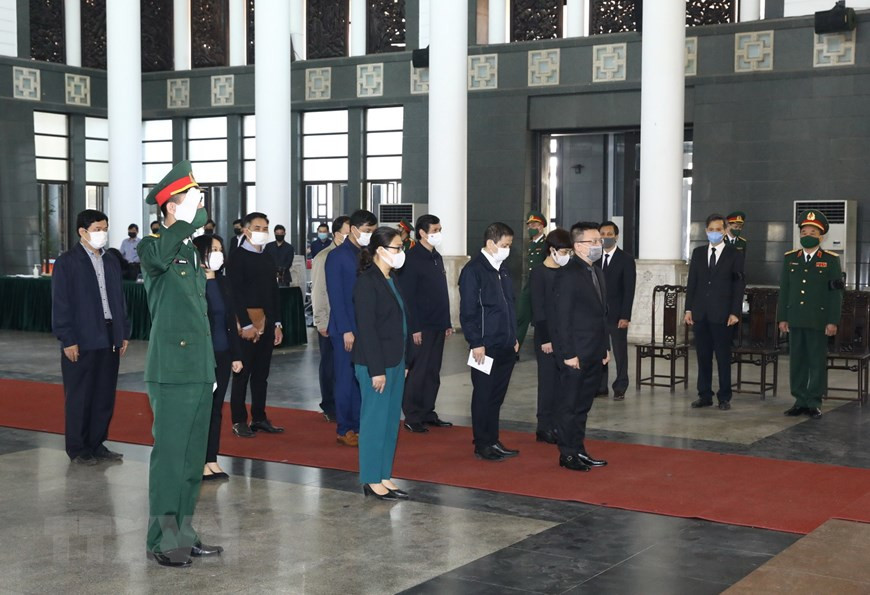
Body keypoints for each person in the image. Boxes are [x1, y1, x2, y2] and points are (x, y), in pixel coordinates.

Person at [137, 160, 222, 567]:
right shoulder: (154, 246)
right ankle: (163, 541)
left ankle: (184, 534)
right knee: (171, 461)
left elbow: (199, 317)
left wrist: (210, 372)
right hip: (171, 372)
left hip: (197, 371)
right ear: (171, 206)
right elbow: (158, 258)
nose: (200, 204)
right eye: (191, 197)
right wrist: (180, 224)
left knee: (191, 463)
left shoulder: (187, 248)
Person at [52, 209, 131, 465]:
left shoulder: (110, 260)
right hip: (82, 337)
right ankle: (78, 448)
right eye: (97, 229)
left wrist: (123, 333)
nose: (102, 234)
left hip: (109, 335)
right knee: (80, 395)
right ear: (82, 232)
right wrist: (68, 338)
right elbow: (61, 302)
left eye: (105, 228)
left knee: (104, 394)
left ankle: (97, 443)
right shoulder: (68, 261)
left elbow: (119, 300)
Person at [353, 227, 411, 501]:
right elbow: (367, 329)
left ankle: (384, 475)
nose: (401, 253)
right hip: (375, 364)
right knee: (375, 421)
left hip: (395, 360)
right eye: (398, 248)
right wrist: (377, 370)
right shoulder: (367, 281)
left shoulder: (392, 278)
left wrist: (405, 360)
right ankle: (370, 479)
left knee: (389, 422)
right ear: (380, 250)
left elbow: (401, 321)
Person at [551, 222, 610, 472]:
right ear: (578, 246)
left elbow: (601, 315)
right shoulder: (568, 275)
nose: (599, 245)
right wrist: (568, 354)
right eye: (593, 241)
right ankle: (567, 454)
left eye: (600, 241)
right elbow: (561, 319)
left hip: (594, 351)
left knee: (583, 405)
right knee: (570, 405)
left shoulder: (596, 271)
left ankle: (579, 449)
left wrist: (604, 348)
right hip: (575, 353)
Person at [459, 222, 520, 461]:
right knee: (483, 394)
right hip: (484, 345)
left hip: (505, 343)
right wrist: (476, 342)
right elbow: (468, 311)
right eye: (505, 245)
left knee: (497, 396)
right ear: (491, 243)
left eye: (509, 246)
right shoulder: (474, 270)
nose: (508, 249)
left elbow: (510, 305)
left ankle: (493, 439)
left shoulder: (502, 269)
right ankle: (482, 443)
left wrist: (514, 336)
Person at [779, 210, 843, 420]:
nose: (807, 234)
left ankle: (814, 401)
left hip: (818, 320)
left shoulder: (831, 260)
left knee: (816, 361)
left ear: (821, 236)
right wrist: (782, 317)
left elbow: (836, 294)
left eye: (813, 231)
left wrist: (833, 320)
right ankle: (799, 400)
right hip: (795, 317)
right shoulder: (790, 259)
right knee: (797, 361)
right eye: (804, 230)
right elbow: (785, 289)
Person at [227, 212, 285, 438]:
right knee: (242, 373)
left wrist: (277, 323)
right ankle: (239, 420)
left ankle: (259, 417)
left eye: (265, 228)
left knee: (262, 374)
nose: (263, 232)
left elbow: (273, 294)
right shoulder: (238, 257)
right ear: (246, 230)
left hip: (267, 322)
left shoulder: (268, 256)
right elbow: (234, 295)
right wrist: (247, 323)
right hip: (246, 323)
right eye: (258, 228)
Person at [326, 209, 379, 446]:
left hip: (365, 326)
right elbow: (336, 296)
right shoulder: (337, 256)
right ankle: (344, 427)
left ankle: (359, 424)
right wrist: (346, 329)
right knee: (345, 379)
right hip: (344, 328)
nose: (370, 235)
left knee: (362, 379)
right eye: (367, 231)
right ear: (354, 229)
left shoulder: (366, 254)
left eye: (373, 231)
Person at [192, 234, 243, 481]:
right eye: (213, 249)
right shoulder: (192, 283)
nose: (218, 253)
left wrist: (236, 354)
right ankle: (198, 460)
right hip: (201, 356)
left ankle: (212, 458)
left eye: (220, 249)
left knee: (216, 409)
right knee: (200, 410)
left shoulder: (223, 282)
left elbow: (230, 322)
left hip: (223, 354)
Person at [684, 213, 745, 411]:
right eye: (711, 230)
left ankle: (724, 397)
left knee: (723, 356)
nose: (715, 233)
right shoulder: (698, 252)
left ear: (726, 231)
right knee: (702, 356)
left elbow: (738, 285)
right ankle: (704, 395)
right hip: (700, 313)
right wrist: (688, 308)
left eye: (719, 229)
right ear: (706, 231)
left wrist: (735, 312)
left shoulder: (734, 253)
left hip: (723, 314)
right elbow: (692, 282)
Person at [398, 214, 453, 433]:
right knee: (418, 371)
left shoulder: (436, 257)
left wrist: (447, 321)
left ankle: (428, 411)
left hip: (438, 323)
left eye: (440, 229)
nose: (438, 234)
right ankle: (412, 415)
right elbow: (407, 297)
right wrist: (414, 328)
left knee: (433, 371)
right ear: (422, 232)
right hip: (421, 325)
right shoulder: (411, 258)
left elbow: (441, 292)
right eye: (435, 230)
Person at [530, 228, 572, 444]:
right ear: (552, 250)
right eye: (564, 251)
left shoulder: (566, 271)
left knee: (562, 383)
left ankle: (557, 424)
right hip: (547, 336)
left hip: (565, 335)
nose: (567, 255)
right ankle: (543, 426)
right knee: (548, 382)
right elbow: (538, 308)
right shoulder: (539, 273)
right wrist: (545, 339)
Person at [311, 216, 350, 422]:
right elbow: (319, 290)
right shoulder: (324, 257)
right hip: (329, 319)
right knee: (329, 364)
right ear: (336, 234)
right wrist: (321, 320)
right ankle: (329, 404)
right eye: (347, 231)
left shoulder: (355, 255)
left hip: (348, 320)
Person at [595, 221, 637, 400]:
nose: (606, 237)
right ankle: (601, 385)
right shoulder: (594, 258)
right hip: (597, 315)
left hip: (617, 315)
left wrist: (625, 316)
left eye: (609, 234)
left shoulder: (626, 259)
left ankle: (620, 385)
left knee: (619, 352)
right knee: (599, 350)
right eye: (602, 234)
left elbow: (629, 290)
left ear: (616, 236)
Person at [516, 211, 548, 349]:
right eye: (529, 225)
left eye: (534, 224)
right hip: (530, 285)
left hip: (542, 287)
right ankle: (515, 348)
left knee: (541, 318)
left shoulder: (546, 244)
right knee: (521, 316)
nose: (531, 227)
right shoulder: (530, 244)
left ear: (541, 226)